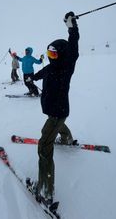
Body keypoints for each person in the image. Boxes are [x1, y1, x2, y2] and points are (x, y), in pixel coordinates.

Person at [30, 12, 79, 205]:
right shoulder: (51, 68)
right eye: (49, 53)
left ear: (62, 55)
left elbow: (73, 48)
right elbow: (43, 72)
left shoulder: (66, 67)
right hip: (56, 111)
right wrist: (32, 78)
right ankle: (66, 138)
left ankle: (46, 190)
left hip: (57, 113)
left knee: (44, 146)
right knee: (59, 125)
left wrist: (72, 27)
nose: (51, 57)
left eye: (54, 54)